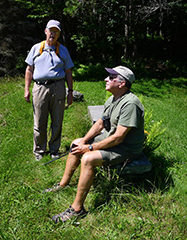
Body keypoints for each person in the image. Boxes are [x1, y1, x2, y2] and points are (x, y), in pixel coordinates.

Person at [44, 66, 145, 223]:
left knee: (88, 159)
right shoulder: (113, 99)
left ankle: (77, 209)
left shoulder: (130, 104)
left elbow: (118, 138)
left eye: (111, 77)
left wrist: (89, 148)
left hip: (126, 149)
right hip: (112, 141)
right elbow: (100, 123)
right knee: (76, 143)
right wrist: (84, 141)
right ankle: (63, 184)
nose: (106, 79)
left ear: (121, 83)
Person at [24, 20, 74, 161]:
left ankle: (54, 149)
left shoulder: (63, 50)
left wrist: (70, 92)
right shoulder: (36, 48)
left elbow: (68, 72)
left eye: (56, 31)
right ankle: (39, 150)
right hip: (39, 88)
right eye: (50, 30)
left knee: (57, 121)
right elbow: (29, 69)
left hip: (58, 87)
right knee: (39, 121)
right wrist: (26, 89)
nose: (53, 33)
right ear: (45, 31)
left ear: (59, 34)